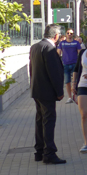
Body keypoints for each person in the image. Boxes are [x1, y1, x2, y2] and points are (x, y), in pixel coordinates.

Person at [29, 23, 66, 164]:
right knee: (48, 121)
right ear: (56, 36)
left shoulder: (35, 47)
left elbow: (31, 69)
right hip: (47, 92)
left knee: (40, 120)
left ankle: (39, 151)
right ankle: (49, 153)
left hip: (36, 90)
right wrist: (59, 92)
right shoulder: (50, 48)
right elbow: (54, 73)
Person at [57, 28, 84, 104]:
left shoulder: (76, 43)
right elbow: (58, 54)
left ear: (73, 35)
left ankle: (76, 95)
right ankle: (69, 97)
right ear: (66, 33)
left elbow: (80, 53)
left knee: (75, 81)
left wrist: (81, 63)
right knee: (67, 81)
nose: (69, 34)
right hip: (65, 64)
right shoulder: (62, 43)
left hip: (75, 64)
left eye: (71, 33)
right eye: (68, 33)